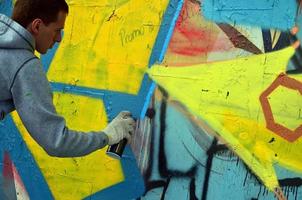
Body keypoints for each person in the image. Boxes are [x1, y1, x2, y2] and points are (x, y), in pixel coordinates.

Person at [0, 0, 135, 157]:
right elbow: (57, 142)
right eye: (57, 30)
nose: (59, 38)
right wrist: (108, 136)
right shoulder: (24, 65)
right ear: (37, 26)